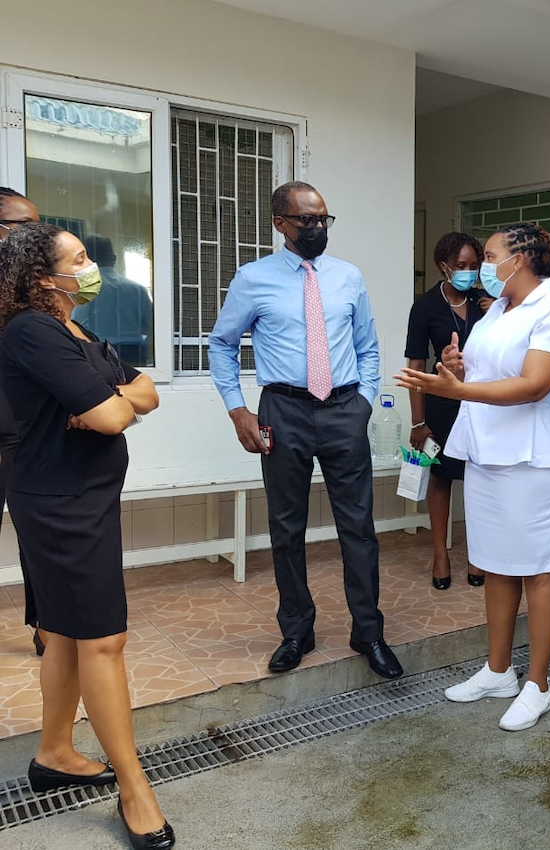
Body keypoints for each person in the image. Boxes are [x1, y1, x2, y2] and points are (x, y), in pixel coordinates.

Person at [0, 223, 174, 850]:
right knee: (104, 638)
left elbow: (143, 392)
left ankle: (53, 751)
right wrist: (116, 404)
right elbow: (109, 415)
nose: (92, 264)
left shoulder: (77, 331)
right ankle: (135, 789)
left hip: (83, 499)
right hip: (59, 504)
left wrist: (117, 400)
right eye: (78, 259)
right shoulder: (31, 331)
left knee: (67, 634)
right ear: (44, 278)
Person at [209, 180, 403, 680]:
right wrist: (238, 411)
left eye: (324, 219)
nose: (318, 228)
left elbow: (368, 346)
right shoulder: (253, 279)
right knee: (286, 528)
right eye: (307, 220)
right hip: (283, 411)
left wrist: (362, 401)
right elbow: (222, 345)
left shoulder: (348, 277)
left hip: (343, 410)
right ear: (280, 224)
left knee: (358, 527)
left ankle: (369, 631)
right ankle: (296, 630)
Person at [395, 223, 550, 731]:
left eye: (492, 255)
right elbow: (484, 374)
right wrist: (456, 370)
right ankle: (498, 670)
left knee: (541, 569)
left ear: (518, 260)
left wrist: (456, 392)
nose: (483, 265)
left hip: (533, 456)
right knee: (496, 564)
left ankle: (537, 685)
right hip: (486, 451)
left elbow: (532, 384)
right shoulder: (499, 309)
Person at [404, 232, 489, 589]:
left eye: (474, 266)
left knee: (480, 479)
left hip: (483, 402)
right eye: (461, 267)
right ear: (444, 267)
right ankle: (440, 553)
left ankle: (478, 556)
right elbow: (415, 363)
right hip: (441, 404)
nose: (469, 273)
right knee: (440, 478)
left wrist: (498, 311)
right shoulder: (425, 307)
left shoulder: (488, 302)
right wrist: (419, 421)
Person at [0, 187, 47, 655]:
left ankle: (45, 627)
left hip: (26, 434)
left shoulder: (29, 295)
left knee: (36, 538)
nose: (33, 235)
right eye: (22, 225)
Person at [73, 235, 153, 366]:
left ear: (86, 260)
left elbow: (77, 324)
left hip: (100, 351)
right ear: (114, 259)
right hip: (135, 351)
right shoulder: (138, 289)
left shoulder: (86, 287)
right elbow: (150, 326)